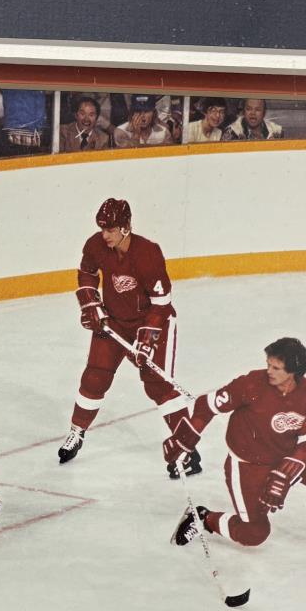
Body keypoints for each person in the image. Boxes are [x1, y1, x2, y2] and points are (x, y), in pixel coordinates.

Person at [168, 336, 306, 557]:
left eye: (276, 368)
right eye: (268, 364)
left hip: (287, 456)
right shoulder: (251, 384)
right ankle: (204, 518)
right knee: (254, 533)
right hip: (249, 466)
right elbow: (207, 405)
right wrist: (187, 437)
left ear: (293, 372)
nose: (268, 371)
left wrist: (289, 470)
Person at [57, 198, 193, 478]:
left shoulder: (148, 253)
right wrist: (91, 304)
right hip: (114, 322)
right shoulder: (96, 245)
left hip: (153, 322)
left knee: (158, 386)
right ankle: (77, 432)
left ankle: (187, 450)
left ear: (125, 228)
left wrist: (147, 339)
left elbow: (162, 302)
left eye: (110, 229)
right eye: (102, 229)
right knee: (94, 377)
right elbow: (86, 273)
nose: (104, 235)